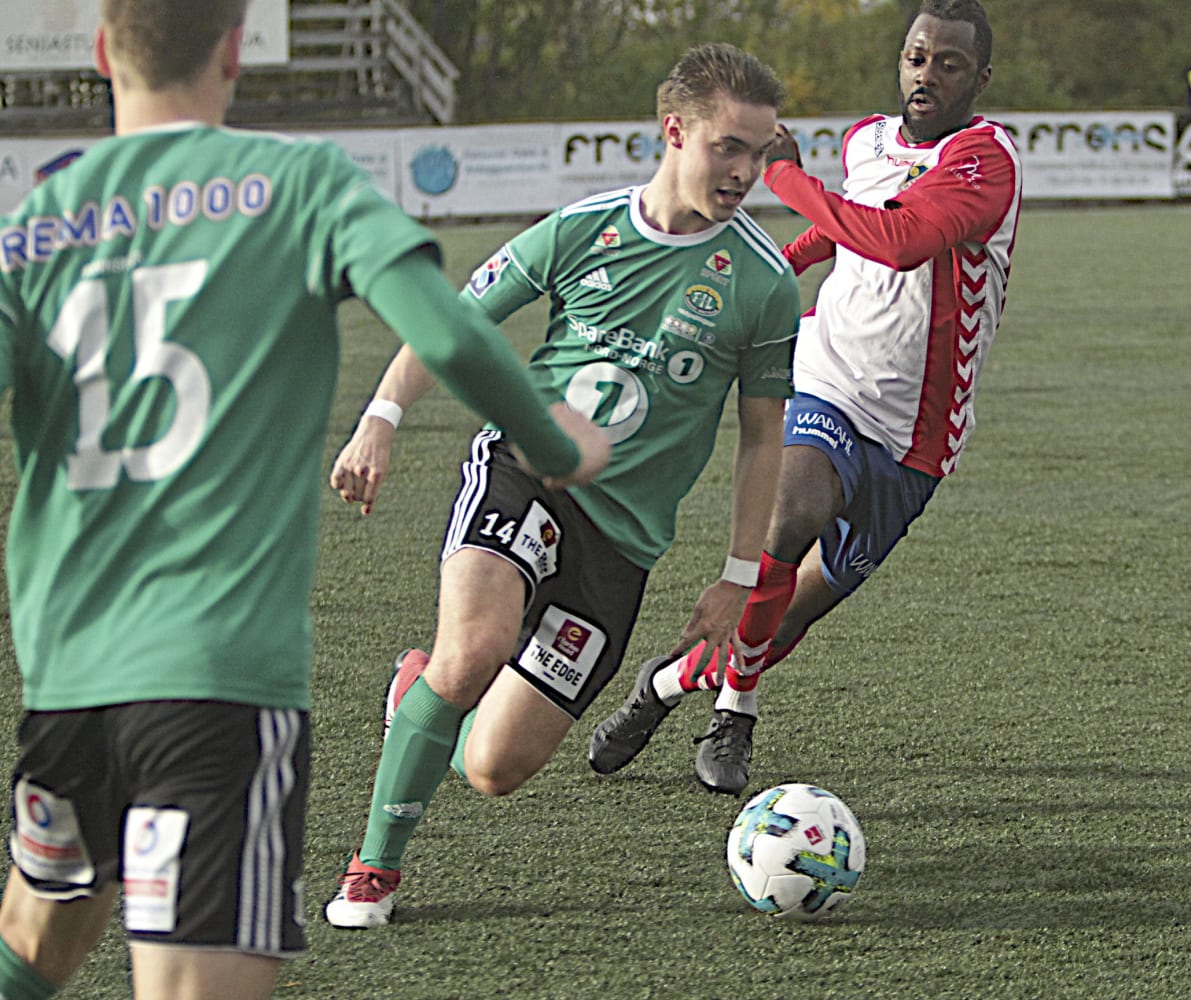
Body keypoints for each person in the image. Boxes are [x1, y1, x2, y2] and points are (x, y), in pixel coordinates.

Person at [0, 1, 608, 997]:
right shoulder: (300, 182)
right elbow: (449, 333)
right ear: (236, 49)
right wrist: (554, 443)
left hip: (68, 672)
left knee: (44, 933)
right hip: (214, 673)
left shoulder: (34, 225)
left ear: (104, 51)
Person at [322, 42, 800, 930]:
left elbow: (762, 434)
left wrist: (740, 575)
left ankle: (417, 694)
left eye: (760, 151)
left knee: (492, 768)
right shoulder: (582, 230)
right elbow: (455, 323)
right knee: (473, 651)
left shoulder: (765, 283)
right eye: (729, 146)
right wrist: (381, 417)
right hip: (525, 474)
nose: (745, 171)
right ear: (675, 131)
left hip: (620, 545)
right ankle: (372, 871)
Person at [589, 0, 1021, 796]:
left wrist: (787, 177)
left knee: (783, 616)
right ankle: (736, 714)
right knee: (790, 518)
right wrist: (776, 270)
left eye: (949, 63)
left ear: (980, 78)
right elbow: (843, 229)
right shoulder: (867, 140)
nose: (926, 74)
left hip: (915, 434)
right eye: (916, 56)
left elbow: (899, 241)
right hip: (825, 373)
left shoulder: (984, 161)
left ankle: (665, 685)